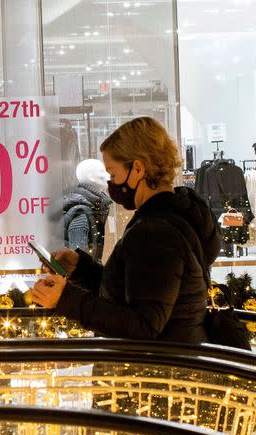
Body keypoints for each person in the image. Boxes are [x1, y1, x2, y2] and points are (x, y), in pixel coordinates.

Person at [31, 116, 220, 342]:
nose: (111, 183)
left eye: (113, 174)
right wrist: (80, 267)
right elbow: (138, 289)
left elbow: (143, 325)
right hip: (171, 363)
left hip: (155, 369)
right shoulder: (174, 216)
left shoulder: (155, 233)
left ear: (138, 168)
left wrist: (66, 298)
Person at [61, 159, 113, 262]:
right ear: (90, 177)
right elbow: (78, 263)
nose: (108, 175)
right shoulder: (80, 213)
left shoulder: (95, 206)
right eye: (102, 171)